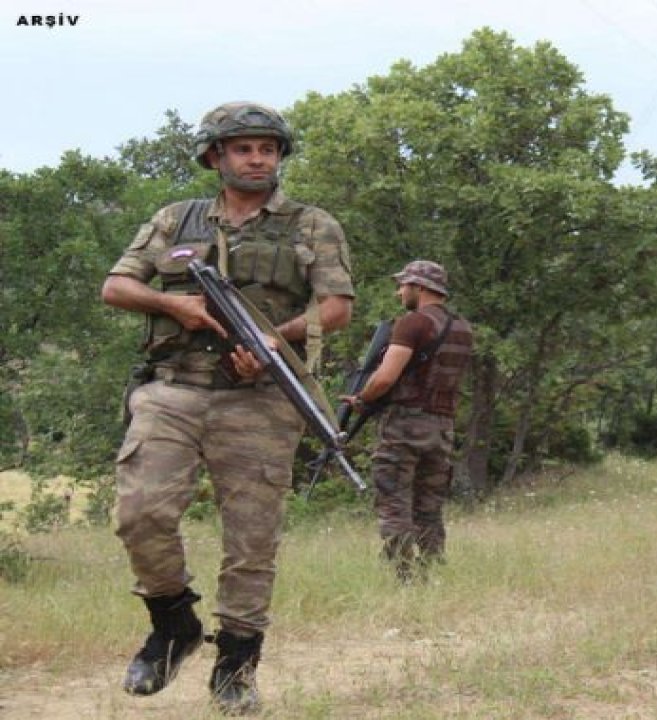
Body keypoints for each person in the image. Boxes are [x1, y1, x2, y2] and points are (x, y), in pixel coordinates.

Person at [101, 101, 354, 715]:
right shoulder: (175, 219)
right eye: (243, 147)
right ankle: (173, 626)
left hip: (261, 397)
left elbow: (336, 307)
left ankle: (236, 665)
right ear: (215, 156)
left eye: (268, 147)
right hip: (173, 388)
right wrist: (176, 307)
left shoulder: (311, 224)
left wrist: (275, 340)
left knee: (251, 541)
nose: (257, 157)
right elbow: (117, 285)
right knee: (139, 513)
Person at [341, 260, 473, 582]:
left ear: (420, 287)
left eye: (404, 285)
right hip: (442, 428)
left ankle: (403, 576)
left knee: (394, 502)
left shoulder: (412, 323)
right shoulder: (463, 328)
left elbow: (385, 378)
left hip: (404, 427)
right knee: (429, 507)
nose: (399, 292)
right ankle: (430, 571)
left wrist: (362, 399)